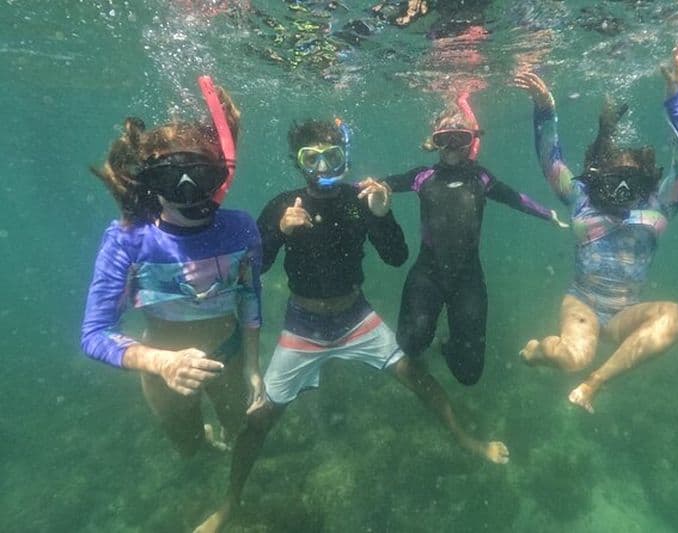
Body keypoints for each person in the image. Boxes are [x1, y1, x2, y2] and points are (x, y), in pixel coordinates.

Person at [199, 117, 509, 532]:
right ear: (298, 162)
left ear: (344, 158)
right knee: (258, 421)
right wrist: (277, 230)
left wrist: (381, 215)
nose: (323, 168)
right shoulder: (281, 204)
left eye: (333, 157)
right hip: (302, 326)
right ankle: (229, 504)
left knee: (417, 376)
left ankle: (464, 438)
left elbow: (397, 257)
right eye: (313, 159)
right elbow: (255, 269)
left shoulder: (357, 200)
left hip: (355, 316)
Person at [80, 78, 267, 532]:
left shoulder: (241, 228)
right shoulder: (128, 239)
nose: (188, 191)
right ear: (149, 183)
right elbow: (94, 333)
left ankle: (235, 495)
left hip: (228, 359)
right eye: (170, 178)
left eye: (201, 175)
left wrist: (253, 367)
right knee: (187, 447)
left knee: (239, 429)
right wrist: (162, 363)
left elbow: (249, 296)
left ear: (219, 175)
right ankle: (200, 445)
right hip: (163, 373)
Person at [515, 46, 678, 413]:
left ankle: (595, 383)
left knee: (676, 317)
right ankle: (537, 352)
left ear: (646, 177)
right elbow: (549, 161)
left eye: (631, 180)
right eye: (615, 179)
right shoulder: (582, 196)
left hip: (623, 314)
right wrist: (545, 111)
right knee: (570, 358)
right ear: (600, 175)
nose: (621, 189)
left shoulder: (658, 204)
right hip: (582, 302)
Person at [379, 99, 567, 386]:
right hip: (427, 273)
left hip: (467, 277)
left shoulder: (481, 177)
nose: (453, 146)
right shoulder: (422, 176)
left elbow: (514, 198)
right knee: (411, 345)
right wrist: (359, 188)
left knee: (469, 374)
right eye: (445, 139)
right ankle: (429, 337)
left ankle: (445, 345)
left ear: (471, 141)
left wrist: (548, 214)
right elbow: (382, 184)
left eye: (461, 138)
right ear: (434, 142)